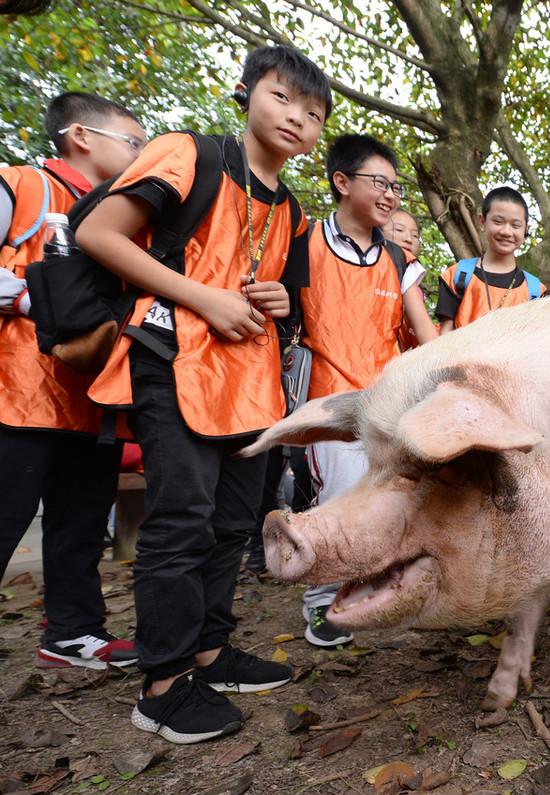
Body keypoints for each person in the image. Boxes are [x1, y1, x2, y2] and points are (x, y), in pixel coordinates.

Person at [79, 45, 333, 744]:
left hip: (251, 382)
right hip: (176, 361)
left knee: (231, 524)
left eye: (312, 114)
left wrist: (281, 298)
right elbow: (98, 231)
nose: (296, 119)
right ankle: (162, 687)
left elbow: (282, 294)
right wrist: (204, 298)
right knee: (180, 522)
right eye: (283, 98)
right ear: (245, 91)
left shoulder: (293, 210)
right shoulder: (189, 154)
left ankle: (211, 653)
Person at [0, 92, 146, 670]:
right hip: (19, 394)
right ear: (81, 136)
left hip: (95, 403)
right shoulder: (23, 186)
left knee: (81, 524)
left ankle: (71, 633)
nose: (140, 156)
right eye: (133, 143)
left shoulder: (126, 216)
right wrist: (38, 300)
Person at [297, 134, 438, 646]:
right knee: (333, 501)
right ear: (341, 181)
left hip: (382, 406)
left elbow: (426, 334)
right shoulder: (304, 241)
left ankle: (368, 597)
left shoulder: (398, 261)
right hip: (325, 404)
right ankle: (318, 606)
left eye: (396, 187)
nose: (391, 195)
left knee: (385, 498)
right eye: (380, 183)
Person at [435, 187, 542, 333]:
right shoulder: (457, 276)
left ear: (525, 230)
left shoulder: (535, 291)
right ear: (482, 222)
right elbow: (444, 336)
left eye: (516, 225)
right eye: (498, 222)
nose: (506, 231)